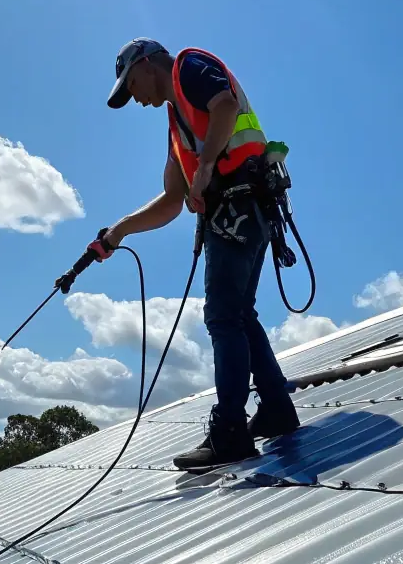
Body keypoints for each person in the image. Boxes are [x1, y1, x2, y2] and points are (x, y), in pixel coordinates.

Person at [99, 37, 299, 469]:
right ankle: (278, 409)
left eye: (131, 85)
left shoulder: (188, 67)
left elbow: (225, 105)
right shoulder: (177, 124)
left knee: (223, 317)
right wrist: (118, 233)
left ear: (147, 64)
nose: (134, 98)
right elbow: (173, 199)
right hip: (247, 211)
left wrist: (206, 167)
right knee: (240, 315)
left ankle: (229, 431)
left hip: (240, 206)